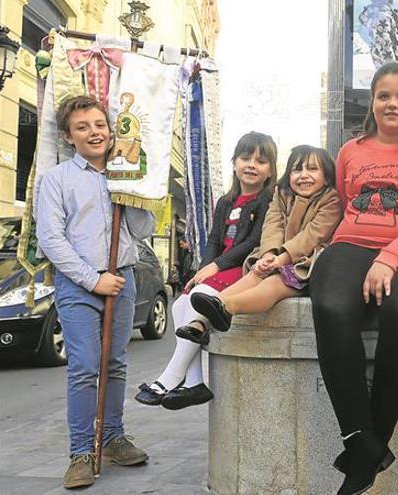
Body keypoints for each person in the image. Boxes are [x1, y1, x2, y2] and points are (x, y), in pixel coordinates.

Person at [309, 62, 398, 495]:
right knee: (331, 306)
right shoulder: (350, 151)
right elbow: (344, 202)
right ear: (372, 101)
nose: (392, 103)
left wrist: (390, 256)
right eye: (384, 95)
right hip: (350, 243)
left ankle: (373, 443)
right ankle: (359, 437)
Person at [36, 95, 155, 489]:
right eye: (83, 127)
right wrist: (92, 279)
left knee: (116, 363)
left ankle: (113, 438)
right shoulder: (56, 179)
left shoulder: (126, 171)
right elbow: (51, 239)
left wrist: (130, 187)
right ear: (70, 137)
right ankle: (82, 452)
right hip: (79, 284)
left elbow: (142, 228)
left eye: (100, 125)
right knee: (86, 366)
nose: (94, 132)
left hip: (122, 278)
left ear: (110, 128)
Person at [134, 132, 276, 409]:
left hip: (246, 269)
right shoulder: (226, 201)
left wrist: (215, 267)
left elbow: (253, 242)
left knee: (198, 295)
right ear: (234, 162)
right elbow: (213, 240)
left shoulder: (266, 201)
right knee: (180, 305)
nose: (251, 165)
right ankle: (194, 383)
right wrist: (203, 269)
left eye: (260, 161)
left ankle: (169, 378)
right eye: (245, 158)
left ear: (270, 169)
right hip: (221, 268)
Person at [188, 145, 342, 330]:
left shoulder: (331, 200)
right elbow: (272, 226)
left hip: (306, 263)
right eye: (297, 169)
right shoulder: (282, 195)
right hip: (276, 257)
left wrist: (282, 259)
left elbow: (312, 235)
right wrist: (268, 255)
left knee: (273, 285)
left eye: (312, 169)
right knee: (254, 276)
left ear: (326, 177)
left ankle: (226, 307)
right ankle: (201, 321)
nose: (303, 175)